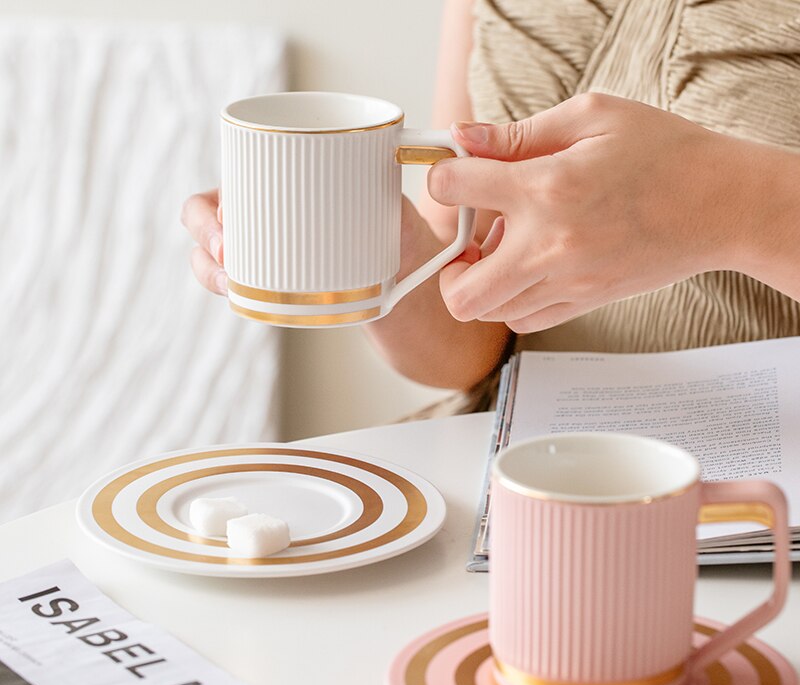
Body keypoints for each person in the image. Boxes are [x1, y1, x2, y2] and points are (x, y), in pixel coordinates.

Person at [182, 0, 800, 412]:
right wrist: (373, 236)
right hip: (515, 462)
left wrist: (728, 206)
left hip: (755, 491)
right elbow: (468, 340)